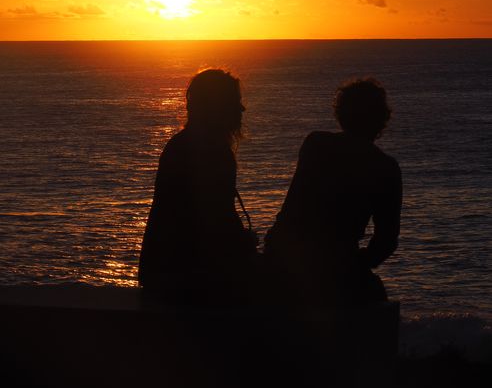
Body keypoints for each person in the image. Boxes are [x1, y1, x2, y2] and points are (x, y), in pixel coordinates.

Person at [264, 78, 402, 307]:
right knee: (375, 300)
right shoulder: (385, 167)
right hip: (334, 263)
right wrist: (355, 263)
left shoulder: (316, 144)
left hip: (282, 255)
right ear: (381, 118)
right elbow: (386, 241)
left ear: (341, 114)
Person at [138, 68, 257, 303]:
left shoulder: (182, 144)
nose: (241, 109)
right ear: (218, 107)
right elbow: (214, 223)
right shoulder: (210, 152)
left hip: (164, 273)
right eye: (235, 101)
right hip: (186, 278)